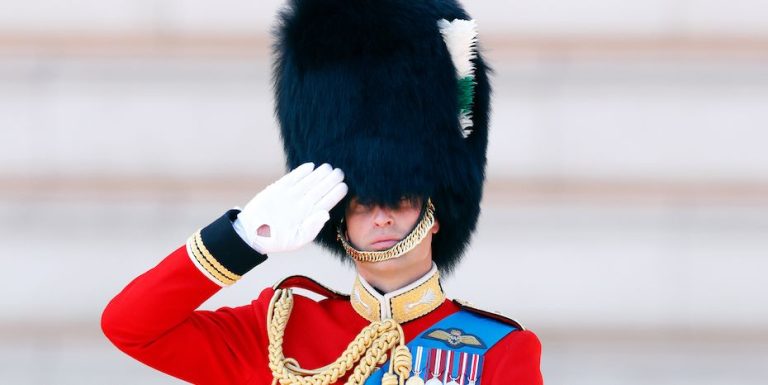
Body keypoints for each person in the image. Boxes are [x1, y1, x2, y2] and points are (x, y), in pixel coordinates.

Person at [102, 0, 543, 384]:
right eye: (361, 204)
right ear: (338, 222)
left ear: (435, 213)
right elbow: (130, 327)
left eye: (400, 200)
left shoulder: (496, 350)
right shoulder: (276, 330)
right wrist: (242, 239)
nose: (381, 217)